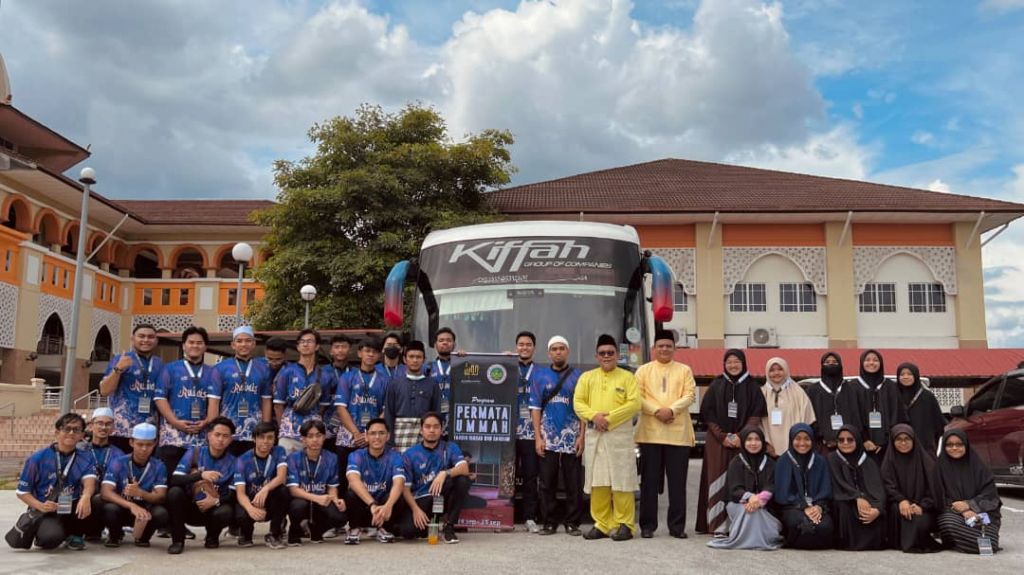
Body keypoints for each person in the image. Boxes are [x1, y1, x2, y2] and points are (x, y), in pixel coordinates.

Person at [574, 334, 641, 541]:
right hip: (596, 436)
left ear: (616, 355)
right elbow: (578, 403)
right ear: (596, 356)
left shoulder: (627, 377)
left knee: (622, 482)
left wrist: (608, 419)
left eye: (610, 353)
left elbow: (634, 404)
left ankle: (625, 525)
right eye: (602, 353)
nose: (606, 356)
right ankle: (602, 524)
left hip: (619, 437)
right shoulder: (587, 377)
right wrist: (594, 416)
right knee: (598, 482)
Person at [697, 349, 767, 535]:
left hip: (743, 443)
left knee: (741, 481)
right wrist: (722, 436)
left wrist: (740, 436)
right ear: (724, 364)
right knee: (717, 479)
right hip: (717, 442)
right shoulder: (716, 384)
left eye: (737, 361)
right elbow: (708, 414)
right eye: (729, 362)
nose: (733, 365)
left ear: (744, 363)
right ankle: (717, 524)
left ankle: (741, 524)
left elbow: (756, 414)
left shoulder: (753, 386)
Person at [635, 329, 696, 539]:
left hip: (678, 435)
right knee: (649, 482)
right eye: (660, 346)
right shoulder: (643, 370)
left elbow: (690, 395)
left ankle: (677, 527)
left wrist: (671, 410)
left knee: (678, 484)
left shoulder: (684, 370)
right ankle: (647, 525)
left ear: (675, 349)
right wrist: (656, 411)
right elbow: (637, 397)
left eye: (668, 346)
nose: (664, 349)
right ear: (654, 348)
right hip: (650, 434)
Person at [15, 412, 98, 550]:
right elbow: (22, 492)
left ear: (82, 435)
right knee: (50, 539)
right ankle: (46, 531)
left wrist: (86, 496)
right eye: (67, 429)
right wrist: (40, 506)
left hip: (72, 506)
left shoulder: (86, 457)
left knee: (96, 499)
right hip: (46, 508)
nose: (71, 433)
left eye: (76, 430)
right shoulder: (37, 458)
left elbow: (89, 480)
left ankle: (75, 534)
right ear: (57, 432)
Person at [531, 335, 584, 536]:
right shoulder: (540, 377)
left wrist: (582, 436)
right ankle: (549, 522)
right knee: (546, 482)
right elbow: (535, 408)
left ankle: (572, 522)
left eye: (562, 348)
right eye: (554, 349)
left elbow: (582, 410)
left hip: (572, 437)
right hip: (548, 437)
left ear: (567, 351)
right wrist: (538, 437)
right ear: (549, 353)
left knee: (573, 482)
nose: (558, 352)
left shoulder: (578, 377)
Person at [166, 417, 238, 554]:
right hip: (191, 508)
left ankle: (212, 537)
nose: (220, 439)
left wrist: (215, 501)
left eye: (225, 436)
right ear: (209, 435)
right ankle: (178, 540)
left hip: (213, 510)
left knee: (227, 511)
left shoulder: (235, 462)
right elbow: (174, 479)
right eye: (217, 435)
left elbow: (234, 495)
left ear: (230, 440)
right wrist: (200, 475)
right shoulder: (194, 453)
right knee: (174, 493)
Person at [399, 412, 472, 544]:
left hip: (441, 495)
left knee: (461, 480)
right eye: (427, 427)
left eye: (436, 426)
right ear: (421, 430)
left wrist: (444, 473)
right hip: (422, 499)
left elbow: (464, 468)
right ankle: (431, 523)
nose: (432, 430)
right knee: (407, 531)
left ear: (441, 429)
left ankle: (449, 527)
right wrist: (416, 510)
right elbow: (405, 488)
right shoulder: (410, 454)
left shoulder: (450, 447)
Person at [155, 325, 216, 479]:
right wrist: (175, 422)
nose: (195, 346)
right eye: (191, 342)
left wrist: (207, 421)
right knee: (170, 480)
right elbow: (160, 399)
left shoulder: (213, 372)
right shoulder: (169, 369)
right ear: (183, 345)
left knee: (197, 481)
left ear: (205, 346)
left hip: (201, 439)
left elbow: (215, 402)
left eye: (199, 343)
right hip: (172, 437)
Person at [708, 427, 782, 550]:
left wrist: (759, 499)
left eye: (757, 439)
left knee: (755, 510)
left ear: (763, 442)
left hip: (765, 504)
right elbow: (734, 489)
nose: (753, 443)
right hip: (738, 503)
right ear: (743, 442)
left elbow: (772, 485)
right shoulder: (736, 462)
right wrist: (751, 497)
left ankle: (754, 539)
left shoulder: (770, 463)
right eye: (749, 439)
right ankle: (755, 540)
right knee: (749, 511)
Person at [99, 422, 169, 547]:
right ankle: (115, 535)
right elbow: (105, 492)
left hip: (145, 511)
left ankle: (143, 537)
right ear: (131, 443)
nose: (144, 449)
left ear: (155, 444)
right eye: (140, 444)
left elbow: (161, 497)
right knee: (109, 508)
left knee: (161, 513)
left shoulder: (159, 465)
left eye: (148, 445)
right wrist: (131, 505)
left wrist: (140, 493)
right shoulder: (118, 462)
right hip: (123, 507)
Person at [935, 429, 1002, 554]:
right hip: (954, 515)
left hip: (981, 513)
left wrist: (970, 505)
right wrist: (962, 510)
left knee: (990, 541)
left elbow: (991, 495)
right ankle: (968, 542)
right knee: (947, 522)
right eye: (949, 445)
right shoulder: (939, 467)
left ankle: (961, 543)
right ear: (944, 447)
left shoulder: (979, 466)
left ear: (966, 445)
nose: (954, 448)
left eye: (959, 444)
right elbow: (938, 496)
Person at [210, 325, 273, 458]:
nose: (244, 344)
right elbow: (214, 402)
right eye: (239, 341)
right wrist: (215, 429)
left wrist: (266, 428)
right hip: (227, 432)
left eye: (248, 340)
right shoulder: (220, 368)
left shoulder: (264, 368)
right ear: (233, 345)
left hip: (254, 431)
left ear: (254, 343)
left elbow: (266, 400)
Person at [344, 418, 409, 544]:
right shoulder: (356, 455)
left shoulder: (396, 456)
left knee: (398, 497)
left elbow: (399, 483)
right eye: (373, 433)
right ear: (366, 436)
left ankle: (383, 529)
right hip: (366, 507)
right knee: (351, 494)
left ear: (388, 436)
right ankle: (355, 528)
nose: (377, 437)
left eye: (381, 433)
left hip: (385, 510)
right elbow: (353, 481)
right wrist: (372, 505)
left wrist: (388, 506)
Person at [99, 323, 162, 453]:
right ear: (132, 339)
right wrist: (118, 369)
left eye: (150, 337)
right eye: (141, 336)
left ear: (156, 340)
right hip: (122, 431)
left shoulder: (159, 363)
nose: (146, 340)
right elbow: (104, 390)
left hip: (149, 430)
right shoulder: (120, 359)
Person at [334, 337, 387, 493]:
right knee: (344, 479)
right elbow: (341, 408)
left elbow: (385, 410)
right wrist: (357, 433)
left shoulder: (385, 380)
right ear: (359, 353)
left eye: (375, 352)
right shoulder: (347, 377)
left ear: (379, 356)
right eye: (367, 351)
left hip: (373, 438)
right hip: (348, 437)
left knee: (370, 479)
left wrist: (369, 435)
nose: (370, 355)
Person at [274, 329, 338, 454]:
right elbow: (278, 405)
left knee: (311, 467)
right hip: (289, 430)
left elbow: (323, 407)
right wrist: (286, 425)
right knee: (286, 467)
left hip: (314, 433)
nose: (305, 344)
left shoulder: (326, 375)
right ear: (297, 346)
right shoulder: (287, 372)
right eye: (302, 342)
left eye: (309, 341)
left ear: (317, 346)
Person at [880, 424, 942, 553]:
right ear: (893, 442)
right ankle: (900, 542)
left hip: (924, 507)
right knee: (896, 510)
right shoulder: (889, 462)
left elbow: (933, 489)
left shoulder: (926, 462)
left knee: (919, 522)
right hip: (898, 505)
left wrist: (922, 506)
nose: (903, 443)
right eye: (899, 439)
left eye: (907, 439)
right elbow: (887, 486)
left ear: (914, 440)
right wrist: (902, 500)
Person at [285, 419, 347, 546]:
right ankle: (295, 530)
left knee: (340, 517)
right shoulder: (293, 458)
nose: (315, 440)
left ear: (324, 437)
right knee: (298, 506)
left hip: (321, 500)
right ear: (303, 439)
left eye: (318, 436)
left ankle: (316, 528)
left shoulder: (332, 458)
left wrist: (335, 499)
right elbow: (293, 490)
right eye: (310, 436)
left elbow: (332, 486)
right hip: (302, 498)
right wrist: (316, 498)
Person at [772, 423, 834, 549]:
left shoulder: (820, 461)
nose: (802, 443)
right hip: (791, 507)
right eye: (798, 438)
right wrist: (804, 507)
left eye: (807, 438)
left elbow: (825, 489)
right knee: (802, 524)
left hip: (817, 506)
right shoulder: (783, 461)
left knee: (824, 525)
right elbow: (782, 494)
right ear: (791, 440)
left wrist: (819, 507)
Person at [827, 424, 886, 550]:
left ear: (858, 440)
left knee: (875, 509)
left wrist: (877, 509)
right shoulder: (832, 459)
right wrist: (857, 496)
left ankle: (873, 541)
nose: (845, 443)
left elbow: (878, 489)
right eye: (841, 440)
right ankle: (848, 542)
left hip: (866, 499)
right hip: (844, 497)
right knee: (843, 507)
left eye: (850, 439)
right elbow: (837, 483)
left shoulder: (868, 460)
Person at [234, 421, 290, 549]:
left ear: (275, 439)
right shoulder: (241, 460)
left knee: (283, 491)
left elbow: (281, 477)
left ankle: (274, 534)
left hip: (269, 500)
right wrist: (251, 509)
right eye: (261, 437)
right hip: (251, 501)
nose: (266, 441)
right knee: (239, 513)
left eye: (270, 437)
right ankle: (246, 534)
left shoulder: (279, 451)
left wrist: (265, 489)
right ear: (254, 439)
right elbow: (240, 493)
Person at [806, 352, 869, 453]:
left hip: (849, 444)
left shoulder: (851, 389)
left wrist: (850, 437)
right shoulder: (813, 390)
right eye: (827, 362)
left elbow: (857, 416)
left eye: (835, 362)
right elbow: (810, 418)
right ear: (822, 366)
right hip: (822, 446)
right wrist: (823, 437)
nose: (831, 364)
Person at [383, 340, 440, 451]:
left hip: (425, 432)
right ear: (404, 359)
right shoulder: (394, 383)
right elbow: (389, 413)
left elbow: (436, 412)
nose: (415, 360)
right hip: (399, 433)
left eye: (418, 357)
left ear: (424, 359)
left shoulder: (432, 384)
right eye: (411, 356)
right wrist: (390, 441)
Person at [80, 407, 125, 542]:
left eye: (108, 424)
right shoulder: (80, 450)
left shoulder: (118, 454)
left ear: (112, 428)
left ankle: (114, 531)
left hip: (108, 498)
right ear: (91, 425)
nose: (103, 427)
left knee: (104, 501)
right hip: (84, 496)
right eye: (99, 423)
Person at [512, 330, 541, 533]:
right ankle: (504, 515)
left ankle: (530, 517)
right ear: (516, 347)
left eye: (528, 344)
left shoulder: (541, 372)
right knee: (507, 474)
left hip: (532, 432)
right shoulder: (507, 367)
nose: (524, 347)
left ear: (534, 348)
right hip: (509, 432)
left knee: (531, 476)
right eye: (521, 344)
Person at [856, 349, 907, 461]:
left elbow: (897, 414)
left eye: (875, 360)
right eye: (867, 360)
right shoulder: (852, 387)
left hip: (889, 447)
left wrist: (887, 441)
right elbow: (852, 416)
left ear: (881, 363)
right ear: (861, 363)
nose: (871, 363)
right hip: (860, 447)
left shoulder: (891, 387)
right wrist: (864, 440)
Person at [759, 357, 815, 458]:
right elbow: (757, 422)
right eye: (772, 370)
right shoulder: (761, 394)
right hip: (768, 450)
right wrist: (765, 444)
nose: (776, 373)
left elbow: (806, 418)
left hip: (795, 448)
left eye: (780, 369)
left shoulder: (798, 392)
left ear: (786, 370)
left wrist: (798, 441)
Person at [896, 363, 946, 454]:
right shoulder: (893, 396)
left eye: (909, 374)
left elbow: (939, 423)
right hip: (899, 446)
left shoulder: (927, 396)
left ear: (915, 375)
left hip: (924, 447)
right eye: (902, 374)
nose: (905, 377)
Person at [325, 334, 355, 446]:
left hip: (350, 423)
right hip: (328, 423)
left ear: (350, 350)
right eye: (337, 347)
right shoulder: (322, 372)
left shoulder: (356, 373)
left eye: (344, 347)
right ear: (331, 351)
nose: (340, 350)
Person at [429, 327, 456, 422]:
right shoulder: (427, 367)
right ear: (435, 345)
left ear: (454, 345)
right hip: (433, 417)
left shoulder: (461, 365)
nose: (445, 343)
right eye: (441, 340)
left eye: (449, 340)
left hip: (455, 416)